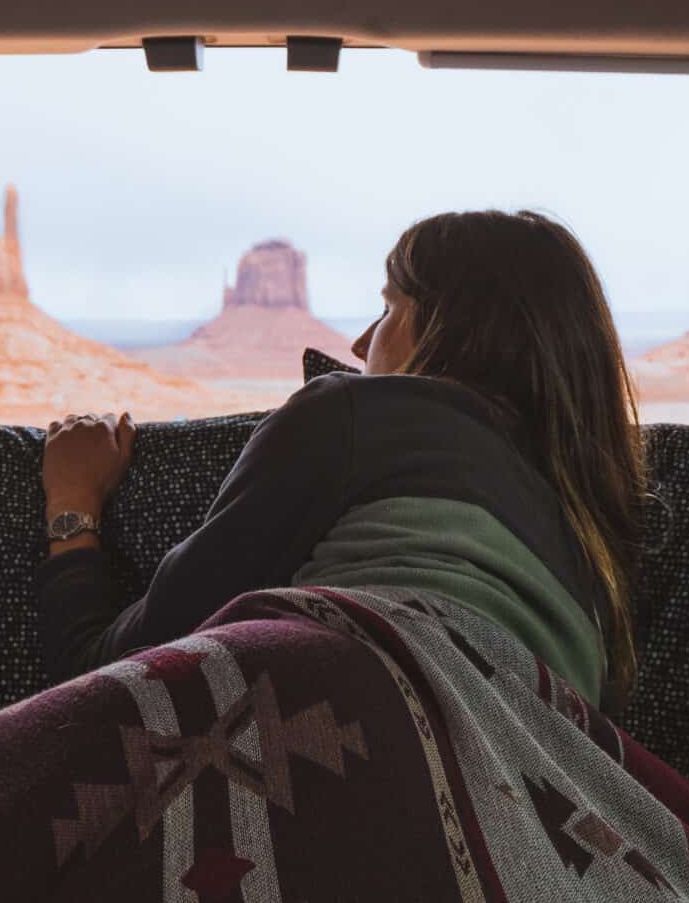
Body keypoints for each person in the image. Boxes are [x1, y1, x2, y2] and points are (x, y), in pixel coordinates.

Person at [36, 209, 653, 710]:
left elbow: (112, 676)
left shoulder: (353, 413)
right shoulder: (598, 527)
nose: (359, 344)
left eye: (389, 308)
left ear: (455, 331)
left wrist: (72, 501)